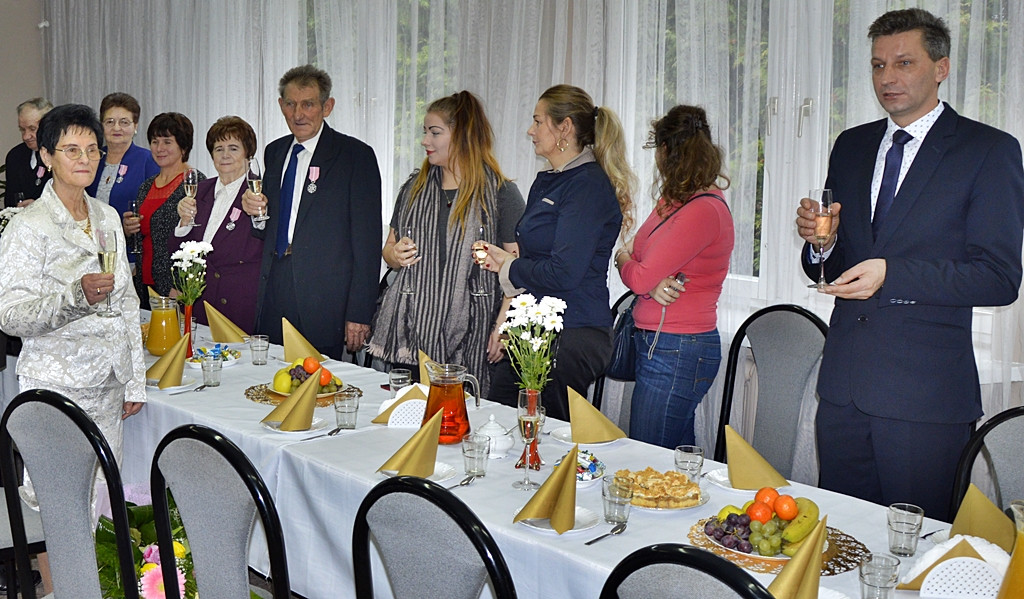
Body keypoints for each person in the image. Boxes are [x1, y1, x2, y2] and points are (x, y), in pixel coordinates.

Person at [795, 8, 1024, 518]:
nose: (888, 78)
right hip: (842, 391)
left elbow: (1000, 277)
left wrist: (891, 274)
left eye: (904, 63)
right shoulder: (851, 145)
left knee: (915, 557)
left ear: (940, 68)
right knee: (843, 545)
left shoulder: (988, 151)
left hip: (926, 398)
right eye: (878, 66)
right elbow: (836, 266)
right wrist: (820, 244)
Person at [0, 103, 146, 520]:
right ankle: (58, 585)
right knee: (55, 502)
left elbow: (127, 301)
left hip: (108, 383)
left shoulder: (107, 216)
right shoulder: (29, 226)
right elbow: (10, 315)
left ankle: (100, 584)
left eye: (92, 150)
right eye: (71, 150)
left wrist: (133, 378)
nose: (84, 160)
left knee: (104, 497)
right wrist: (75, 298)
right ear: (47, 156)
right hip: (56, 384)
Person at [480, 84, 636, 422]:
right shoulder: (546, 180)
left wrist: (511, 266)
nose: (530, 131)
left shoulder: (588, 186)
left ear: (564, 127)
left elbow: (564, 272)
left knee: (546, 438)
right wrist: (508, 267)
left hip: (574, 333)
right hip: (536, 328)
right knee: (501, 420)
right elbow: (537, 260)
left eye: (538, 122)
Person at [367, 91, 524, 395]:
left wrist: (503, 326)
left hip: (476, 333)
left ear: (463, 135)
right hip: (413, 332)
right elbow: (388, 250)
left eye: (435, 132)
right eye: (425, 132)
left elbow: (517, 269)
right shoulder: (413, 188)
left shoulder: (501, 193)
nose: (426, 140)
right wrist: (395, 256)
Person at [242, 65, 382, 360]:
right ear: (281, 106)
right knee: (267, 385)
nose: (298, 114)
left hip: (324, 299)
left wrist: (359, 312)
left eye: (308, 104)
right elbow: (269, 226)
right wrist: (255, 213)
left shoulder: (355, 156)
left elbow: (367, 243)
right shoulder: (275, 151)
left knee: (319, 393)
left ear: (327, 107)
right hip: (274, 290)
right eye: (290, 104)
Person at [614, 105, 734, 449]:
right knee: (676, 465)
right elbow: (636, 256)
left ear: (666, 151)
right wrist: (638, 268)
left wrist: (633, 266)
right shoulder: (674, 201)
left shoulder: (703, 209)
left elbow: (636, 274)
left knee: (647, 457)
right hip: (665, 344)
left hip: (677, 347)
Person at [173, 116, 264, 332]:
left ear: (247, 155)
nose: (224, 155)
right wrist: (183, 223)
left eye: (233, 148)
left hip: (240, 304)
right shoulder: (200, 190)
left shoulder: (258, 194)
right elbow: (178, 251)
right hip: (200, 302)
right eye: (218, 148)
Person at [125, 112, 205, 308]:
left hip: (174, 287)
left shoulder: (195, 183)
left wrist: (179, 284)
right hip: (143, 281)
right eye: (154, 141)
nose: (159, 148)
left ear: (183, 146)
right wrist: (127, 229)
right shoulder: (147, 185)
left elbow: (197, 241)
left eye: (167, 142)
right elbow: (143, 235)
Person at [86, 93, 159, 224]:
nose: (116, 128)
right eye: (110, 122)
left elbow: (156, 211)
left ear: (135, 126)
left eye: (124, 122)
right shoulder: (91, 157)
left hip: (130, 241)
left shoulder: (148, 161)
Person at [4, 98, 53, 208]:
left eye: (32, 129)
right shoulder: (15, 156)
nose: (26, 136)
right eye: (22, 129)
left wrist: (39, 207)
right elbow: (10, 202)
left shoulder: (62, 156)